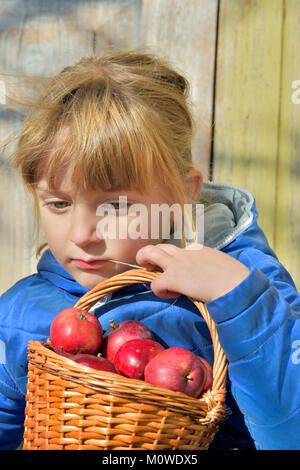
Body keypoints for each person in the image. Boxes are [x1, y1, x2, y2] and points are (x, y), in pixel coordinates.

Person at [0, 49, 299, 451]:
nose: (82, 233)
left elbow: (289, 433)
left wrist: (242, 302)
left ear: (183, 195)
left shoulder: (244, 281)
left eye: (116, 206)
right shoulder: (22, 311)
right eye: (59, 203)